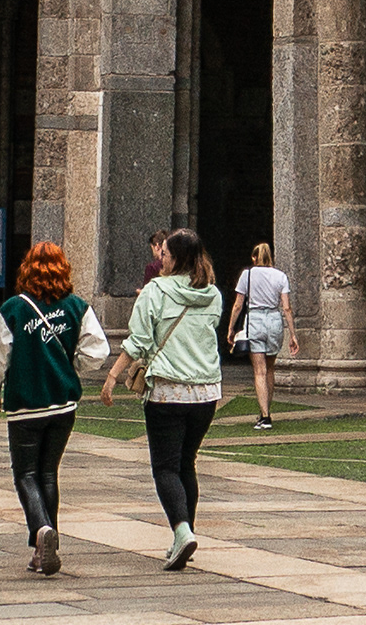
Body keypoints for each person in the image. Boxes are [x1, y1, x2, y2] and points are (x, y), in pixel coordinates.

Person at [100, 227, 226, 571]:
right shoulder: (212, 294)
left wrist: (112, 376)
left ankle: (181, 530)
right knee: (187, 462)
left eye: (165, 254)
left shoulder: (155, 291)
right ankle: (184, 534)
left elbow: (138, 341)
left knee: (166, 467)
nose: (161, 259)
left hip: (168, 390)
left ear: (176, 259)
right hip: (206, 392)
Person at [0, 240, 110, 575]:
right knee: (49, 472)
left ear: (28, 269)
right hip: (63, 404)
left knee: (25, 473)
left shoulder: (13, 309)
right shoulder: (76, 306)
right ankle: (47, 543)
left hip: (26, 405)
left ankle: (41, 531)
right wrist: (71, 365)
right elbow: (98, 351)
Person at [225, 241, 289, 431]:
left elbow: (238, 304)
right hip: (275, 320)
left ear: (254, 257)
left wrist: (230, 328)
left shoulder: (248, 274)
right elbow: (286, 306)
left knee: (259, 371)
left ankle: (265, 416)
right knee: (270, 369)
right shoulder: (280, 276)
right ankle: (265, 411)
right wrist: (293, 334)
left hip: (256, 320)